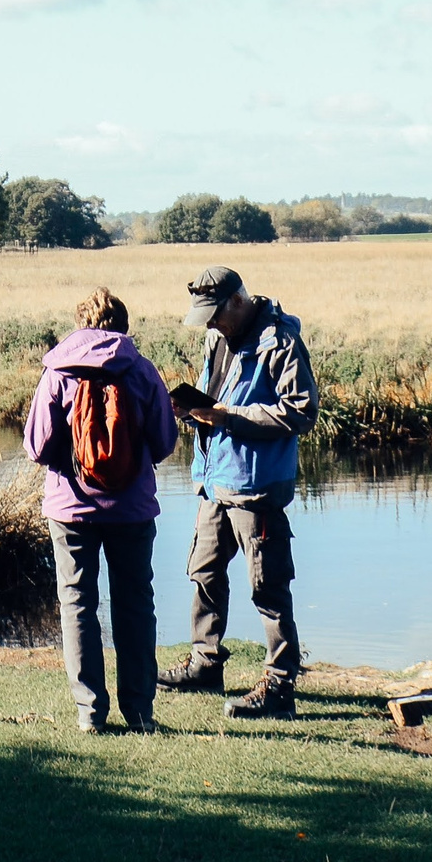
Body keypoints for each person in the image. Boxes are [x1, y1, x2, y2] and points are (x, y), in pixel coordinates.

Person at [159, 265, 321, 720]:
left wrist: (229, 417)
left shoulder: (281, 342)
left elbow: (301, 412)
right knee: (204, 572)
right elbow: (215, 402)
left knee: (267, 587)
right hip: (214, 481)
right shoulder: (216, 339)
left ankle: (280, 685)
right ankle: (204, 663)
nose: (209, 323)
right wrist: (193, 412)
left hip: (256, 489)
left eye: (214, 313)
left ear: (237, 300)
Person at [22, 286, 182, 733]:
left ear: (80, 325)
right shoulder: (143, 371)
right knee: (135, 606)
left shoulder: (57, 372)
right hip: (131, 511)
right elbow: (165, 443)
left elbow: (36, 446)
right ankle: (140, 712)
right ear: (124, 326)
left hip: (70, 509)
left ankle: (90, 712)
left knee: (77, 604)